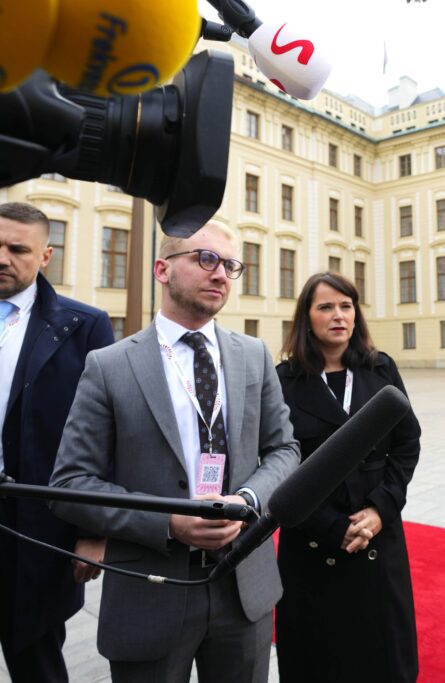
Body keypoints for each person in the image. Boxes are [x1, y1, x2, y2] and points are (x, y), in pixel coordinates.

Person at [49, 221, 299, 682]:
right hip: (151, 589)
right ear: (163, 270)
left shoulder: (254, 355)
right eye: (206, 259)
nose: (221, 273)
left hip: (243, 588)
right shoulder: (110, 365)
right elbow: (70, 484)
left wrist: (246, 502)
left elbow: (284, 450)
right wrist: (167, 522)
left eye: (230, 265)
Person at [274, 271, 421, 682]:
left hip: (378, 534)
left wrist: (380, 509)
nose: (338, 315)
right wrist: (331, 526)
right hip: (312, 540)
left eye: (346, 306)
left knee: (384, 657)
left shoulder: (380, 369)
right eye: (326, 307)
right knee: (318, 658)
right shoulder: (284, 380)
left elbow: (407, 444)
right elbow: (277, 461)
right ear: (307, 318)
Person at [0, 202, 114, 681]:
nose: (3, 257)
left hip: (34, 526)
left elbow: (106, 435)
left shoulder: (82, 325)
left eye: (17, 249)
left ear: (45, 255)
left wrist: (94, 530)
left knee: (35, 660)